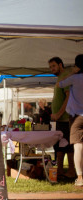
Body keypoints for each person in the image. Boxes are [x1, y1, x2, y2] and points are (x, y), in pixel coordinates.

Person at [58, 54, 83, 186]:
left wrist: (72, 72)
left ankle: (80, 178)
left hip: (77, 117)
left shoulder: (74, 78)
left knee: (78, 147)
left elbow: (60, 84)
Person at [49, 56, 75, 178]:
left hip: (66, 119)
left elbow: (69, 96)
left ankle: (72, 171)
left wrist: (59, 113)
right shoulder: (60, 78)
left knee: (69, 146)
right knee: (59, 145)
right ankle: (59, 170)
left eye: (53, 66)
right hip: (59, 120)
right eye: (50, 67)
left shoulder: (66, 76)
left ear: (60, 65)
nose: (51, 69)